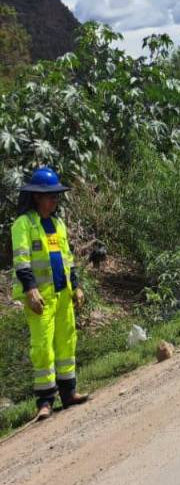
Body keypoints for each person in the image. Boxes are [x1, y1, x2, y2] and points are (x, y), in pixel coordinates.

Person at [10, 167, 88, 420]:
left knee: (67, 342)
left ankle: (69, 393)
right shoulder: (24, 225)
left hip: (62, 295)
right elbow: (22, 262)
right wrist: (31, 290)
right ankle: (45, 401)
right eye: (50, 196)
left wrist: (76, 286)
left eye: (56, 196)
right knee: (43, 348)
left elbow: (68, 260)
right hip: (40, 298)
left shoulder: (58, 224)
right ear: (36, 197)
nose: (55, 200)